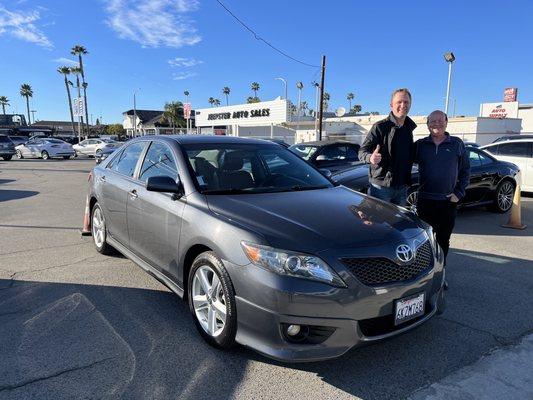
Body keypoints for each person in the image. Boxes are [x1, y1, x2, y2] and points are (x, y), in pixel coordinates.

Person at [415, 110, 470, 267]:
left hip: (447, 202)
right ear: (427, 125)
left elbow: (465, 170)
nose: (436, 124)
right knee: (425, 241)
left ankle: (440, 272)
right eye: (432, 121)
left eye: (440, 120)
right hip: (425, 201)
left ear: (446, 122)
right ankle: (426, 273)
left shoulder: (457, 144)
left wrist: (458, 193)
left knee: (443, 240)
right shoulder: (421, 145)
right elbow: (402, 158)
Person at [358, 88, 417, 206]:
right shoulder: (380, 127)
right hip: (381, 187)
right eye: (399, 102)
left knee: (397, 222)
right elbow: (362, 151)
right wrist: (370, 158)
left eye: (406, 102)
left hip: (402, 187)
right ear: (391, 105)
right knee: (379, 222)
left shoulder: (408, 128)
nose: (403, 105)